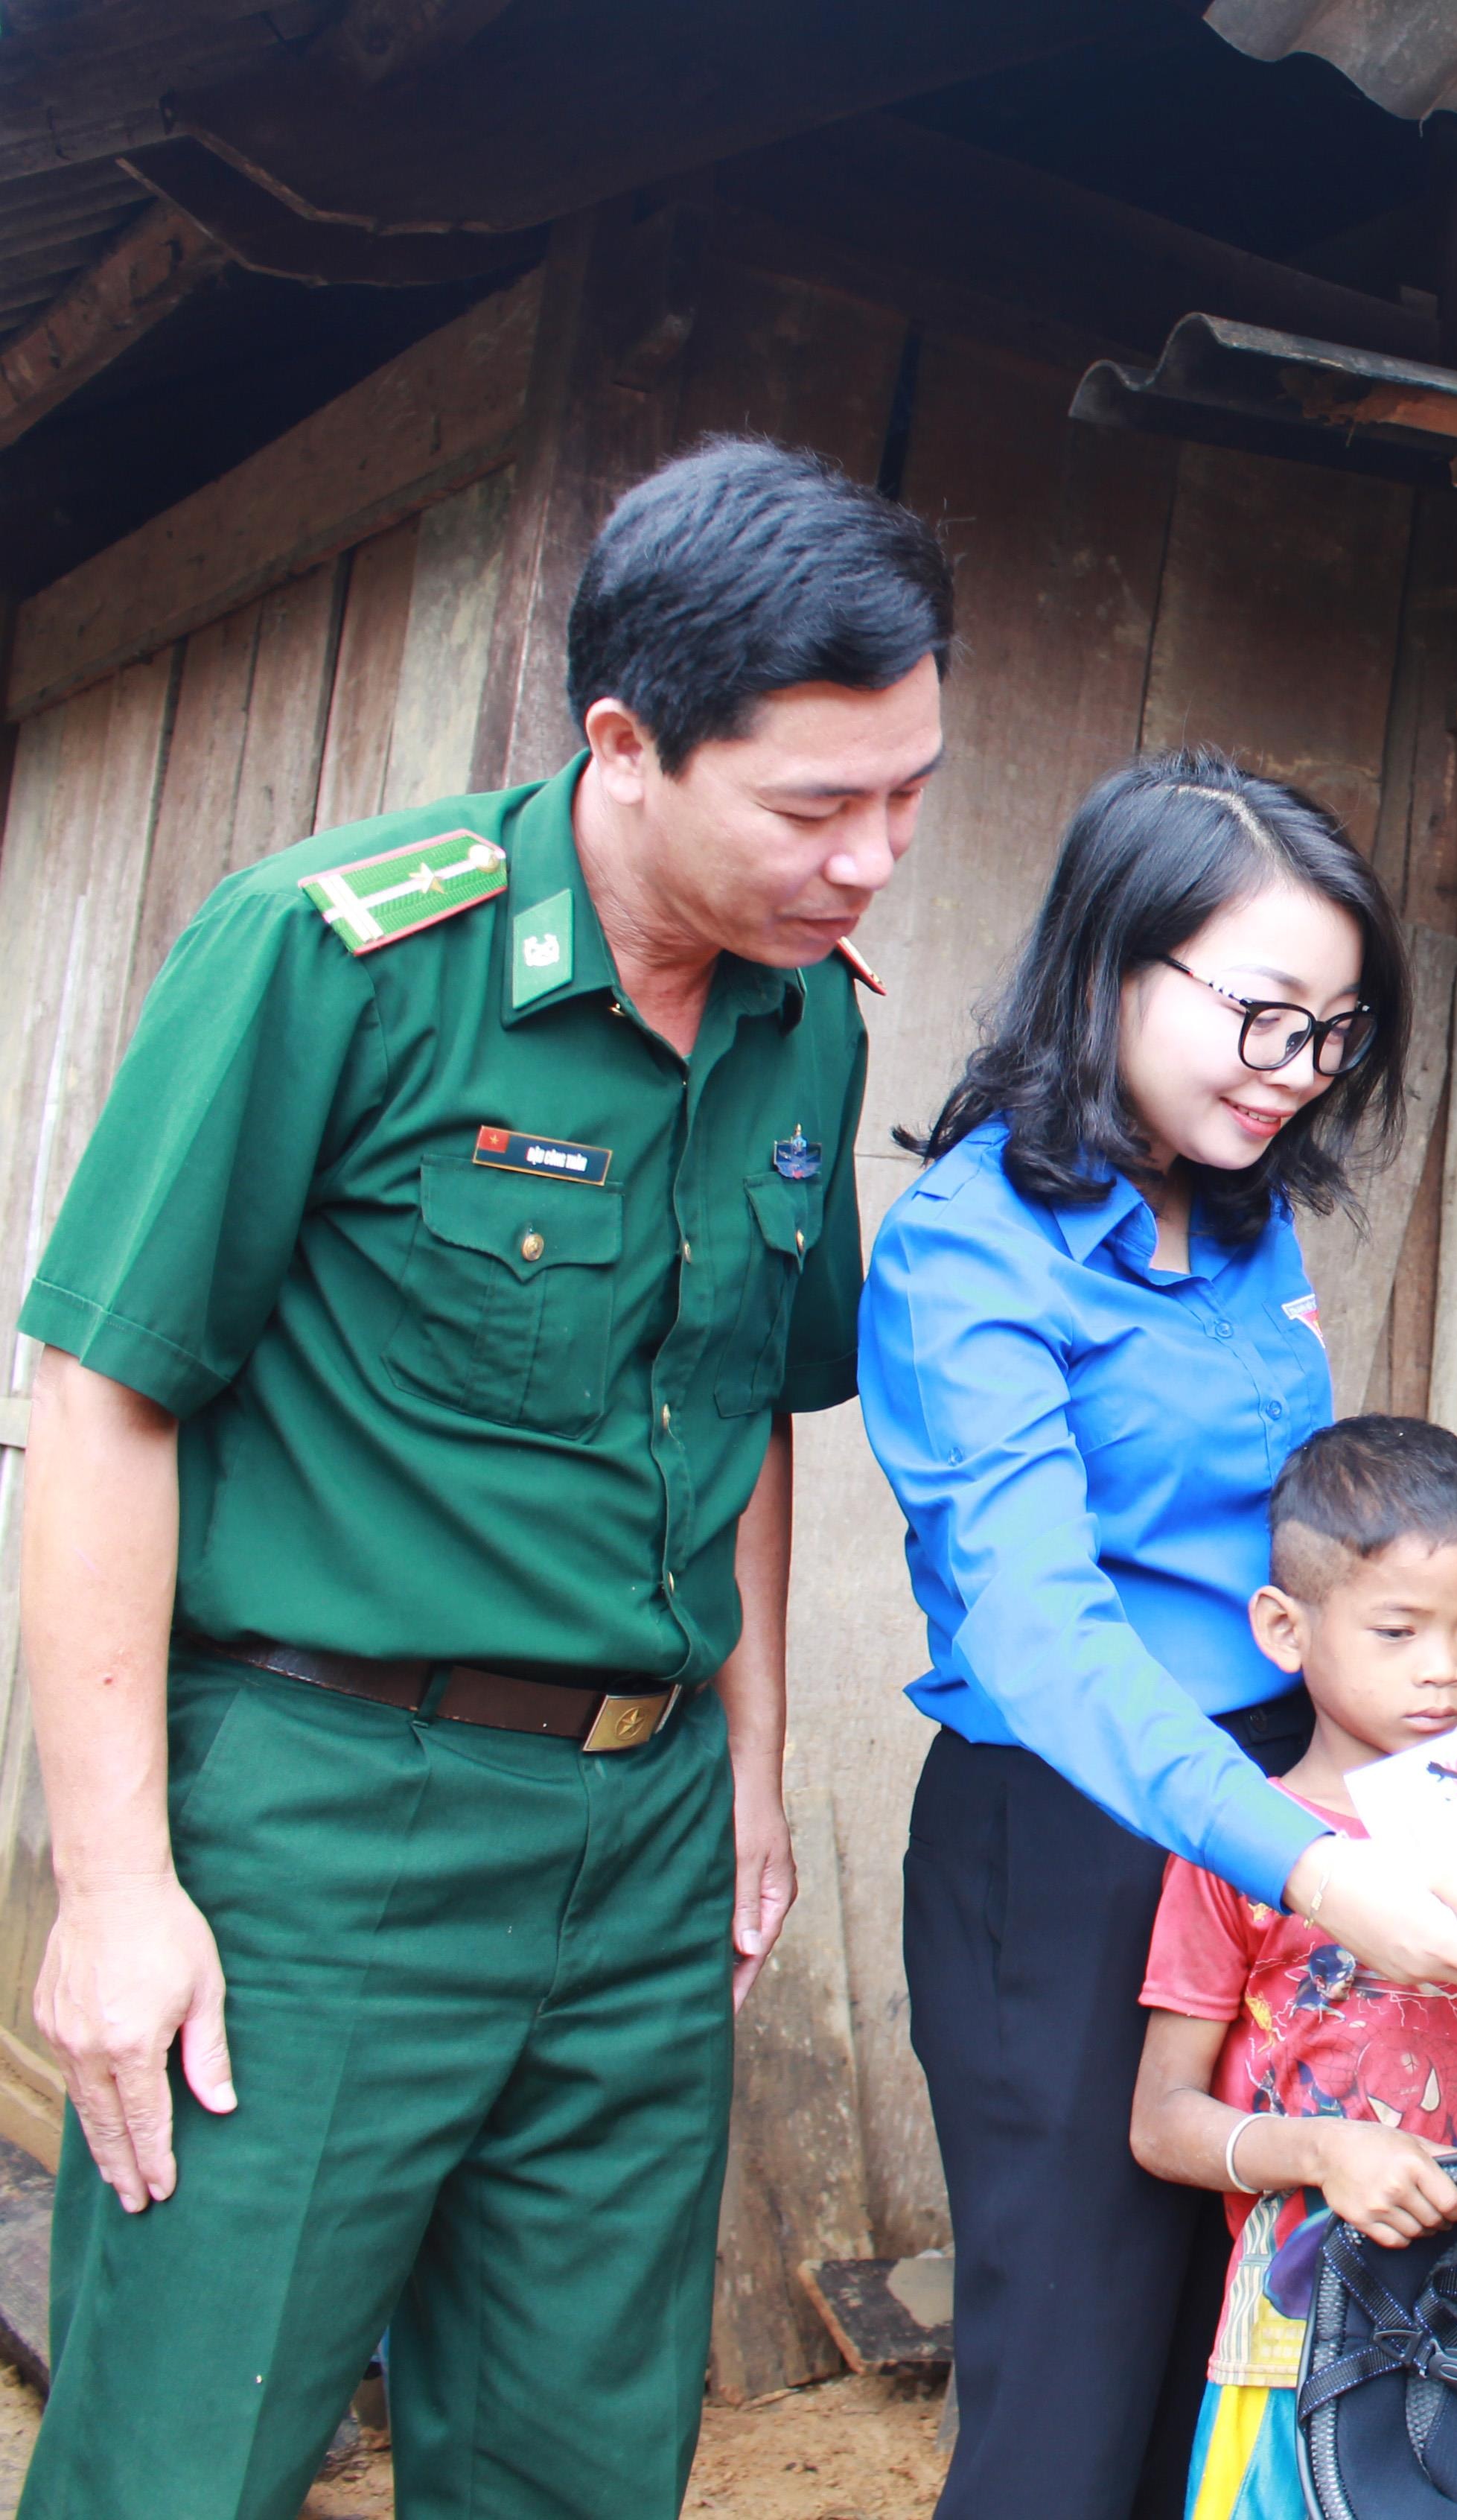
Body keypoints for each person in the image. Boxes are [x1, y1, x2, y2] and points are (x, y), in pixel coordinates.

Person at [8, 436, 946, 2519]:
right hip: (323, 1828)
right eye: (817, 805)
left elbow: (749, 1411)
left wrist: (750, 1764)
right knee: (186, 2451)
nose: (873, 859)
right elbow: (102, 1403)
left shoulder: (808, 1030)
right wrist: (120, 1885)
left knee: (573, 2461)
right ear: (627, 744)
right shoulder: (332, 957)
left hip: (637, 1848)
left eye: (907, 797)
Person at [863, 756, 1457, 2520]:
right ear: (1111, 965)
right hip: (1080, 1833)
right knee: (1075, 2378)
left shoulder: (1250, 1226)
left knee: (1246, 2356)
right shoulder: (969, 1245)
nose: (1296, 1067)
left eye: (1332, 1030)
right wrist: (1311, 1870)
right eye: (1260, 1013)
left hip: (1278, 1807)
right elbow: (1041, 1624)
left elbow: (1308, 1547)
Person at [1131, 1415, 1457, 2520]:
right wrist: (1324, 2150)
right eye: (1398, 1630)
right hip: (1292, 2329)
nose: (1443, 1670)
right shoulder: (1247, 1848)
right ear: (1286, 1628)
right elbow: (1161, 2123)